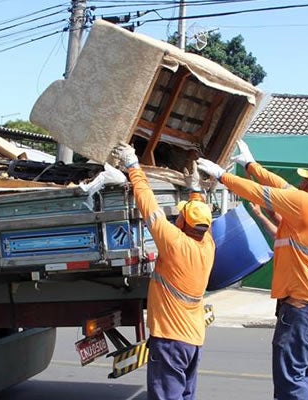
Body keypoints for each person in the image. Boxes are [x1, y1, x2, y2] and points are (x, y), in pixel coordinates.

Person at [196, 140, 308, 400]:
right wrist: (251, 165)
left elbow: (262, 193)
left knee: (291, 385)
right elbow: (280, 186)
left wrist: (222, 176)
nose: (299, 184)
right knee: (300, 380)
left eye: (305, 181)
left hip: (305, 311)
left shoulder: (306, 204)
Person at [111, 142, 215, 400]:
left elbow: (148, 205)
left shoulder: (175, 243)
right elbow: (200, 218)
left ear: (183, 222)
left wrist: (132, 165)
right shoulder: (208, 244)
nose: (175, 218)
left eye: (179, 216)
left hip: (170, 340)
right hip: (192, 340)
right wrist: (194, 190)